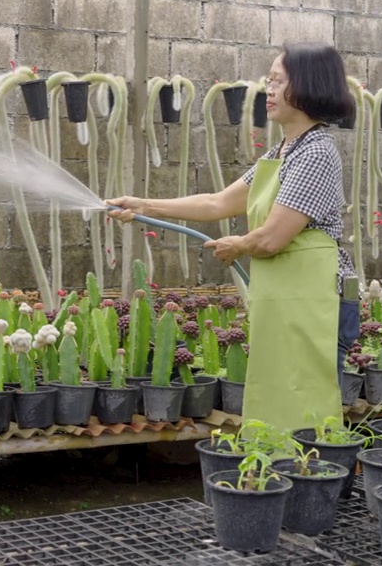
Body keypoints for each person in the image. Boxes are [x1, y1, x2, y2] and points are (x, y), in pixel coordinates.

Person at [106, 42, 359, 433]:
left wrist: (238, 245)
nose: (268, 91)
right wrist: (143, 206)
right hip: (293, 296)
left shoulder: (317, 153)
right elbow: (216, 202)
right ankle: (287, 473)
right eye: (268, 81)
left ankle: (318, 482)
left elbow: (273, 237)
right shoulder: (284, 151)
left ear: (307, 86)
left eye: (277, 81)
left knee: (310, 396)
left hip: (318, 300)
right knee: (283, 390)